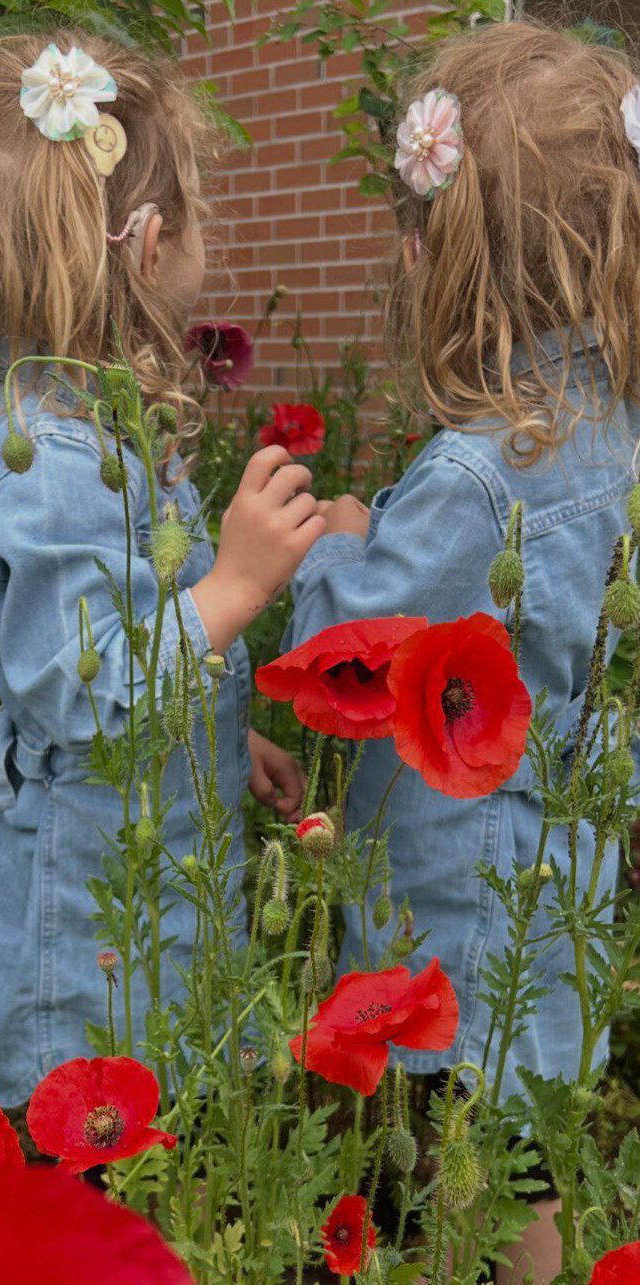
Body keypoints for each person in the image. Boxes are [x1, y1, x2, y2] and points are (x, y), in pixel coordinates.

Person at [282, 22, 640, 1283]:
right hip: (563, 883)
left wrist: (332, 544)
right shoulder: (616, 437)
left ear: (449, 255)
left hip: (458, 903)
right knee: (527, 1149)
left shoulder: (481, 470)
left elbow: (347, 652)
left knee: (456, 1155)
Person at [0, 32, 326, 1108]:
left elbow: (132, 633)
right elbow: (76, 686)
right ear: (149, 244)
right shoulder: (48, 462)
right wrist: (237, 587)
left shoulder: (99, 434)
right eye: (198, 210)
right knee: (96, 1184)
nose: (210, 234)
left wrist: (218, 723)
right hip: (89, 952)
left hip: (141, 906)